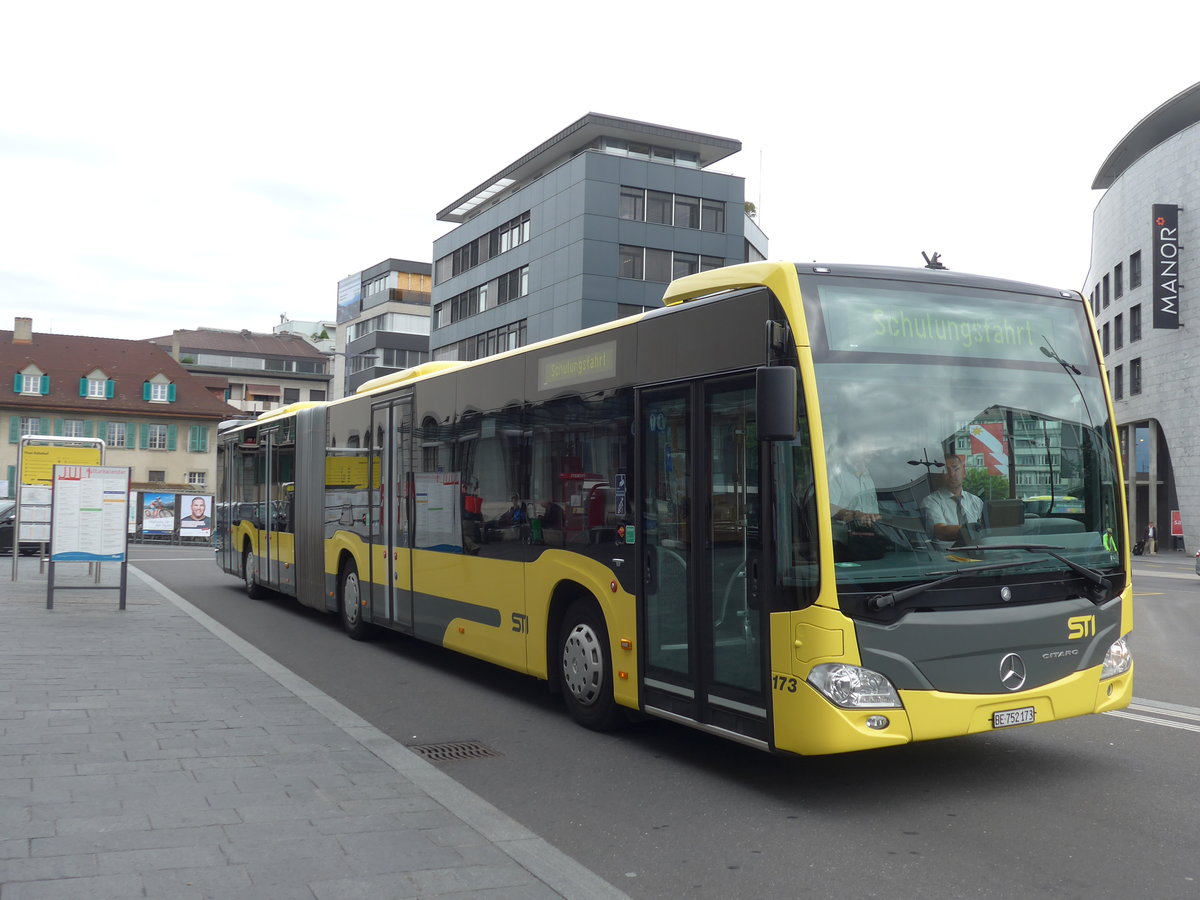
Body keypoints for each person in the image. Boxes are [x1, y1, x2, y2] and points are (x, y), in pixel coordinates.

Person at [921, 453, 984, 546]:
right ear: (941, 475)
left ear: (964, 472)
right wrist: (968, 529)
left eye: (956, 469)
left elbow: (986, 532)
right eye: (947, 470)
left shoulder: (976, 501)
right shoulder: (931, 501)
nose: (952, 474)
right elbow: (940, 531)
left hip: (975, 552)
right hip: (945, 554)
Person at [828, 448, 880, 527]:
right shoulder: (837, 473)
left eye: (874, 447)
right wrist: (855, 516)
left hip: (869, 532)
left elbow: (874, 515)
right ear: (854, 446)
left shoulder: (868, 478)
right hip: (842, 532)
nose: (873, 451)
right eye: (868, 446)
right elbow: (829, 508)